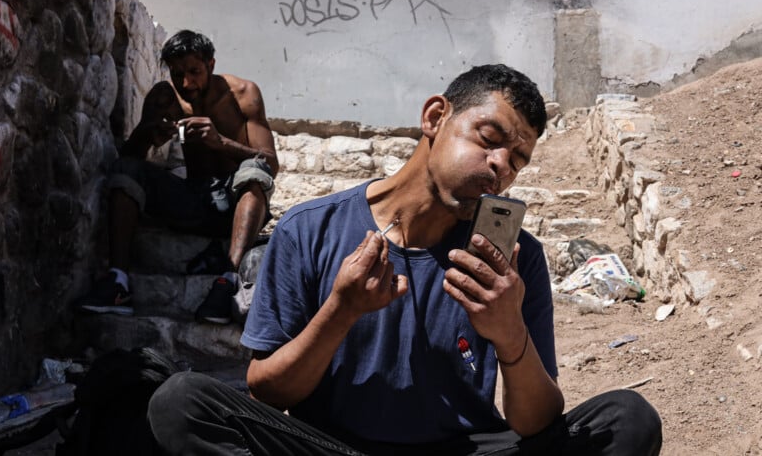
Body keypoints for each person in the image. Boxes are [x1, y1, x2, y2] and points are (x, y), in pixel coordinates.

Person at [146, 64, 662, 455]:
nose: (501, 167)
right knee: (183, 402)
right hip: (334, 447)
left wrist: (510, 335)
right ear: (436, 117)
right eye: (490, 140)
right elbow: (267, 391)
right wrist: (341, 310)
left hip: (465, 448)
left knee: (626, 419)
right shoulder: (309, 230)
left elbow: (536, 422)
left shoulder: (512, 261)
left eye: (518, 160)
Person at [76, 30, 279, 323]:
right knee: (126, 170)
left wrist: (221, 142)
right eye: (177, 73)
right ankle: (118, 282)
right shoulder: (165, 97)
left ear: (211, 64)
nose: (186, 83)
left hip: (235, 206)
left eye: (194, 72)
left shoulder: (243, 94)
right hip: (192, 200)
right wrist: (147, 135)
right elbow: (128, 160)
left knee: (255, 170)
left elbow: (271, 163)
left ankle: (227, 281)